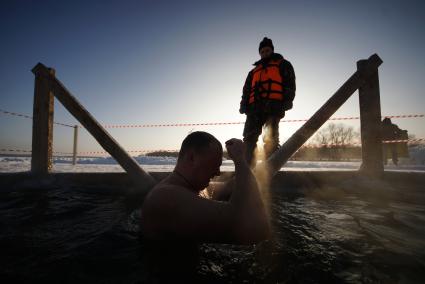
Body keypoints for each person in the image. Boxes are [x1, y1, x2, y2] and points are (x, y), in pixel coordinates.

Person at [141, 131, 270, 244]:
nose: (218, 172)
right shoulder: (165, 197)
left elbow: (230, 186)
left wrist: (248, 165)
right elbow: (254, 228)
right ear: (192, 158)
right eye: (215, 164)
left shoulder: (195, 189)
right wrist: (240, 161)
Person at [240, 37, 296, 166]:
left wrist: (288, 100)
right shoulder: (253, 71)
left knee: (270, 139)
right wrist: (243, 104)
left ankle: (270, 170)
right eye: (262, 51)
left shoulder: (283, 64)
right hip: (254, 109)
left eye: (267, 50)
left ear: (272, 50)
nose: (265, 53)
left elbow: (290, 83)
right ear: (259, 53)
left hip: (274, 106)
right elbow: (246, 90)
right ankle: (248, 169)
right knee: (249, 138)